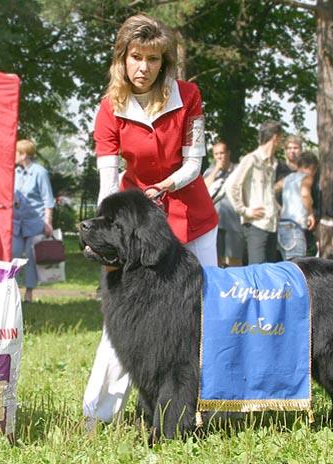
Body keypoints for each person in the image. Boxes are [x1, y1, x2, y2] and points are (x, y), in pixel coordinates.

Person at [84, 14, 218, 426]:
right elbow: (108, 178)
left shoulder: (188, 96)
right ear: (122, 58)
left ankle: (206, 411)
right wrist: (110, 230)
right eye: (136, 57)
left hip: (192, 218)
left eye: (154, 59)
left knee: (207, 318)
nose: (143, 68)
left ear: (165, 63)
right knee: (122, 322)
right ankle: (98, 416)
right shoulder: (110, 108)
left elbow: (194, 164)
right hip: (138, 229)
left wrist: (162, 186)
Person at [227, 120, 283, 264]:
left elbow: (266, 193)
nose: (281, 142)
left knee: (271, 272)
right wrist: (245, 211)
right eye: (281, 138)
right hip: (256, 226)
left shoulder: (273, 162)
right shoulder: (251, 159)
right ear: (275, 137)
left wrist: (277, 207)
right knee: (257, 273)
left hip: (271, 224)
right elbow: (231, 186)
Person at [12, 139, 55, 303]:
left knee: (30, 258)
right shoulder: (15, 172)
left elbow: (48, 200)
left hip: (34, 223)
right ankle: (13, 292)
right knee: (13, 255)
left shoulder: (40, 172)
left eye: (16, 152)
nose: (14, 155)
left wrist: (48, 222)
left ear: (23, 154)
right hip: (16, 223)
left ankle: (29, 293)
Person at [203, 140, 244, 266]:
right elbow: (203, 191)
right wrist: (216, 170)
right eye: (216, 154)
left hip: (234, 222)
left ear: (228, 153)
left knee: (234, 259)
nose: (219, 156)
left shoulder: (239, 170)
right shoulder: (210, 172)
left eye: (222, 153)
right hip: (215, 222)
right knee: (216, 259)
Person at [276, 151, 318, 260]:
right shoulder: (306, 178)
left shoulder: (288, 178)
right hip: (295, 227)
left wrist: (278, 207)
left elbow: (272, 190)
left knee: (286, 263)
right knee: (298, 265)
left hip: (282, 225)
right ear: (311, 167)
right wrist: (310, 213)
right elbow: (305, 194)